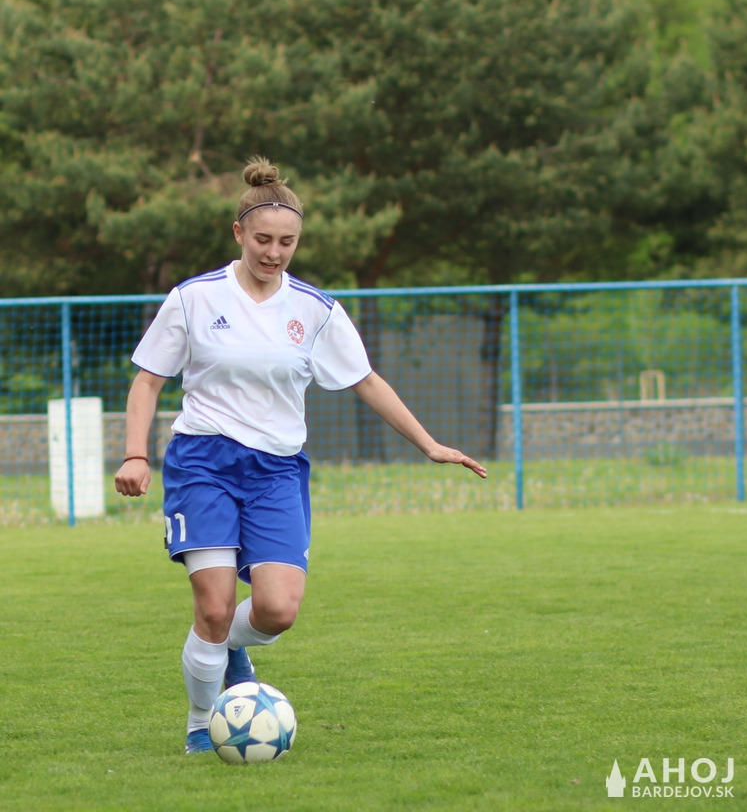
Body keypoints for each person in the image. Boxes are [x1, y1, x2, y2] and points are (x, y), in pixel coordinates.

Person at [114, 157, 488, 755]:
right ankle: (200, 725)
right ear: (239, 233)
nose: (274, 253)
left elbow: (365, 380)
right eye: (263, 239)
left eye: (286, 242)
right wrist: (136, 454)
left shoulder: (315, 310)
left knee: (277, 610)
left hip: (276, 470)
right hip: (203, 461)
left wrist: (430, 444)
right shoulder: (193, 298)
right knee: (214, 606)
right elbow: (148, 380)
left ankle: (227, 648)